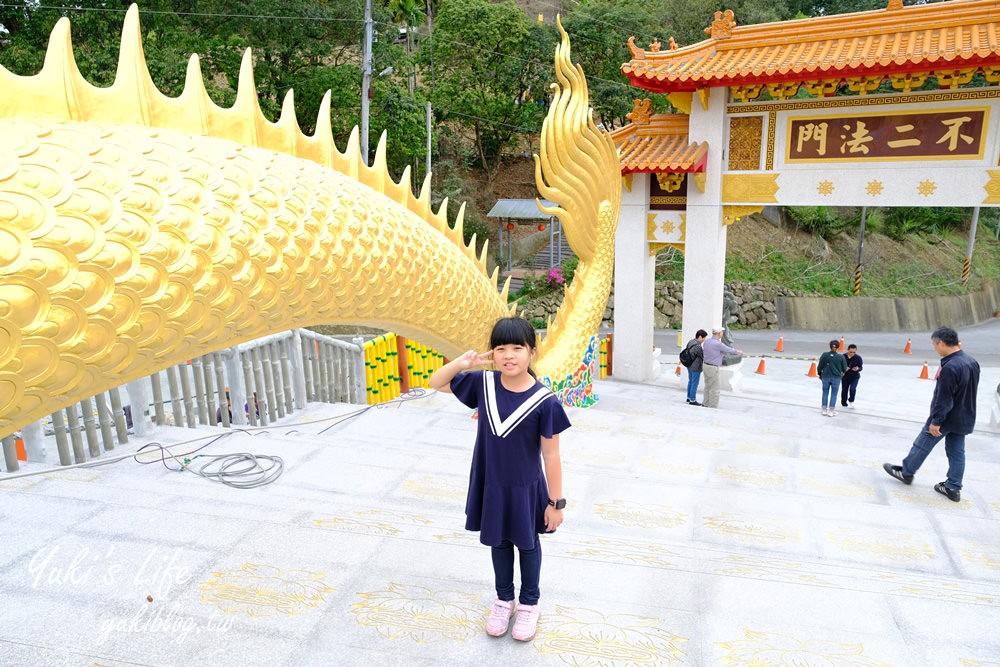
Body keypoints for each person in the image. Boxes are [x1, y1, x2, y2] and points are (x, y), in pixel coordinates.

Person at [429, 317, 570, 641]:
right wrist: (462, 363)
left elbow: (551, 456)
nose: (509, 355)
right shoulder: (484, 384)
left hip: (525, 488)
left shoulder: (544, 401)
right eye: (500, 348)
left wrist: (556, 504)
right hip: (491, 484)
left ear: (531, 353)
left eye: (517, 348)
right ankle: (504, 600)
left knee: (528, 544)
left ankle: (529, 605)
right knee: (500, 541)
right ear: (492, 353)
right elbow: (437, 382)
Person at [883, 326, 980, 502]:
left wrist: (936, 421)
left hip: (946, 418)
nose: (934, 348)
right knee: (957, 453)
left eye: (935, 345)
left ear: (942, 343)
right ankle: (953, 487)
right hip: (965, 417)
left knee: (922, 445)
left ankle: (906, 473)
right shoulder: (972, 362)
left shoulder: (950, 367)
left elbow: (944, 398)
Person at [701, 327, 742, 409]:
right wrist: (739, 352)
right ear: (719, 333)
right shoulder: (718, 344)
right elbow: (729, 350)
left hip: (705, 365)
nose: (723, 334)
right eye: (722, 332)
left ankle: (705, 403)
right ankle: (712, 406)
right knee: (715, 388)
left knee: (707, 386)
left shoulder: (707, 341)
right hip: (713, 368)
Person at [816, 339, 846, 416]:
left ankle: (824, 409)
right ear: (838, 347)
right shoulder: (841, 357)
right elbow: (844, 369)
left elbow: (820, 366)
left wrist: (820, 374)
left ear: (830, 346)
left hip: (825, 376)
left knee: (825, 392)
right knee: (834, 394)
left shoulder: (824, 355)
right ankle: (831, 410)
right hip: (836, 378)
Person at [683, 329, 708, 406]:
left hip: (689, 365)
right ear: (700, 337)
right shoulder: (698, 346)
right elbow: (703, 356)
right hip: (695, 367)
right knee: (694, 383)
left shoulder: (691, 341)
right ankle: (692, 400)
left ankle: (688, 397)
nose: (704, 340)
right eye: (704, 338)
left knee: (690, 381)